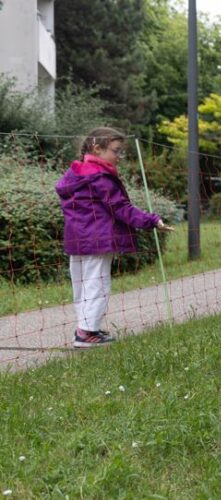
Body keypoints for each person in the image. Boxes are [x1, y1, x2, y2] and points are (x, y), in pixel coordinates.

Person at [55, 127, 175, 348]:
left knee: (82, 284)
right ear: (97, 148)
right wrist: (152, 221)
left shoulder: (76, 173)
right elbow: (121, 208)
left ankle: (85, 327)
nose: (119, 156)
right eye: (116, 151)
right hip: (99, 238)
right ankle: (87, 333)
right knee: (98, 284)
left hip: (78, 238)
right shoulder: (100, 177)